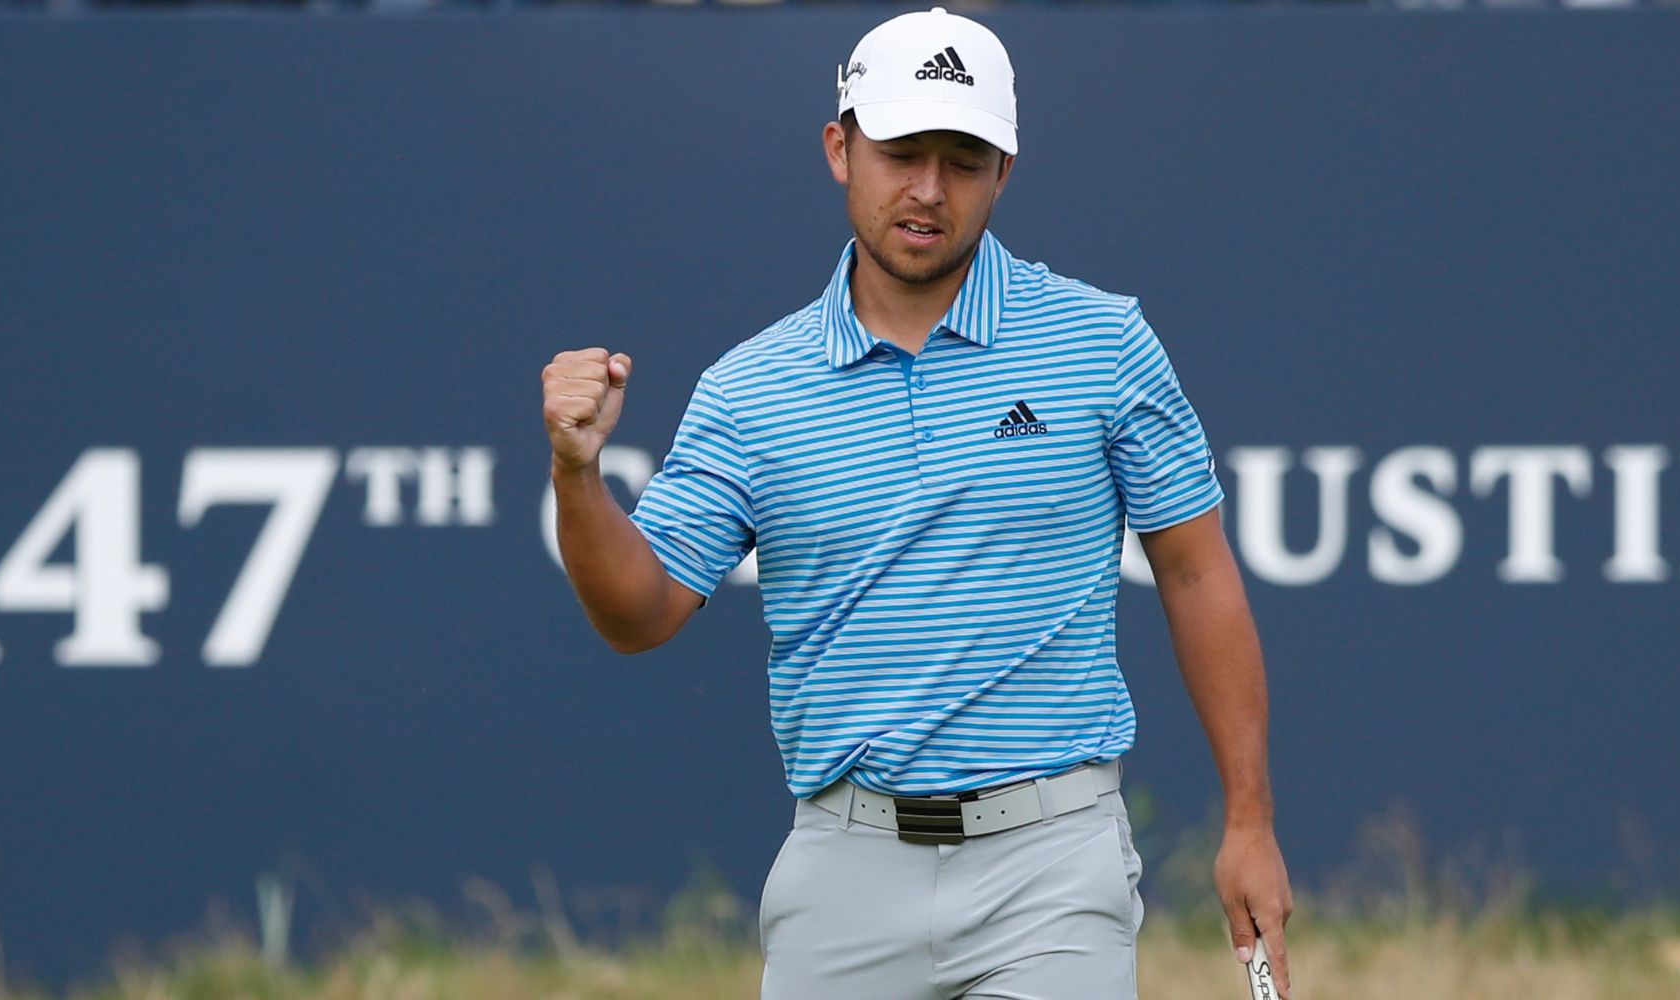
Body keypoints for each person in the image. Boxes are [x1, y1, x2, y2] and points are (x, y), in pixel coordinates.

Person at [540, 7, 1292, 997]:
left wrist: (1247, 821)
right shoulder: (749, 389)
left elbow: (1196, 575)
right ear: (838, 148)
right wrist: (577, 473)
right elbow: (637, 615)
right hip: (842, 868)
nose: (928, 190)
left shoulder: (1100, 342)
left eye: (963, 159)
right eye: (900, 152)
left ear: (1004, 172)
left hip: (1051, 862)